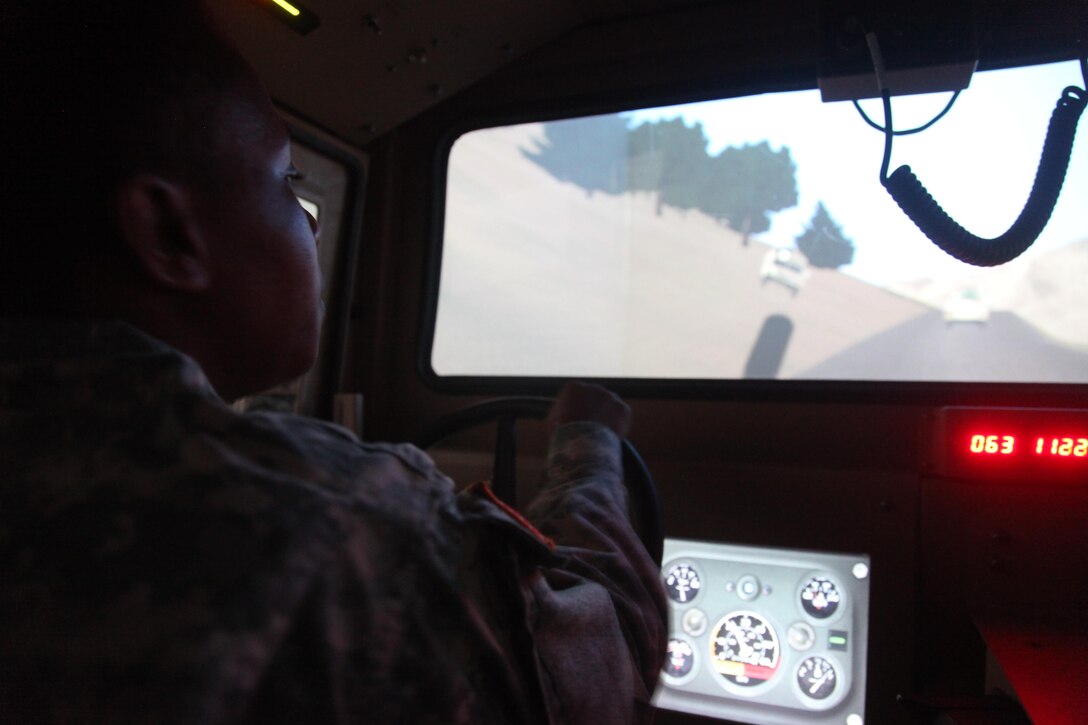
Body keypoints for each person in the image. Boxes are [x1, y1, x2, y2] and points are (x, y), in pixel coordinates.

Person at [0, 1, 666, 723]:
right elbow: (608, 666)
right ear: (167, 232)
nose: (310, 226)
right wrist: (589, 447)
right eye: (288, 183)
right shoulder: (346, 524)